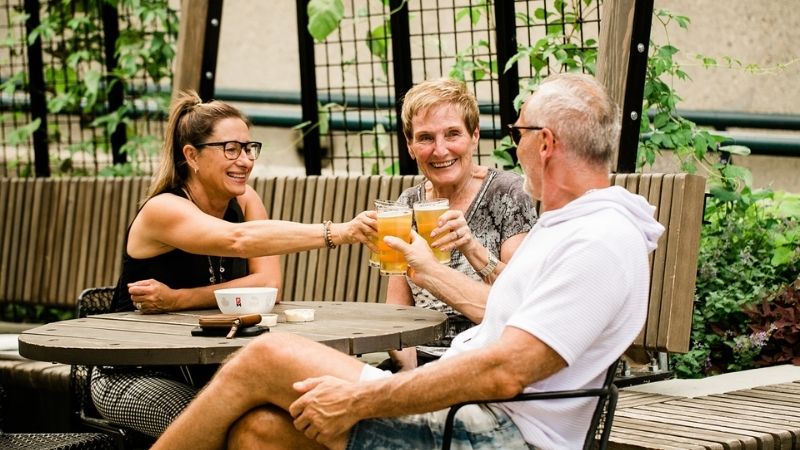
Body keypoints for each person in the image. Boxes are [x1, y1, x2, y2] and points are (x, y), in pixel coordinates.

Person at [152, 73, 665, 450]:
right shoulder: (570, 226)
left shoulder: (598, 239)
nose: (517, 145)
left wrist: (360, 399)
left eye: (520, 133)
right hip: (467, 403)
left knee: (267, 356)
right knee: (258, 434)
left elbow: (506, 372)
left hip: (504, 432)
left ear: (545, 142)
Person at [90, 90, 375, 438]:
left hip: (213, 368)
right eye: (231, 149)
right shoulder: (164, 209)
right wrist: (339, 232)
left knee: (296, 416)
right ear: (192, 156)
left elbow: (268, 286)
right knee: (232, 430)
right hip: (132, 373)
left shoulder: (246, 199)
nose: (245, 160)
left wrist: (179, 299)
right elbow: (238, 241)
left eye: (249, 148)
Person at [383, 78, 535, 371]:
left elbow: (523, 300)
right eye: (426, 138)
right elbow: (398, 311)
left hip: (485, 358)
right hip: (423, 362)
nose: (440, 151)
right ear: (410, 146)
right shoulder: (407, 203)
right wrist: (407, 375)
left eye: (453, 134)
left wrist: (471, 246)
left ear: (474, 135)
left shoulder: (506, 193)